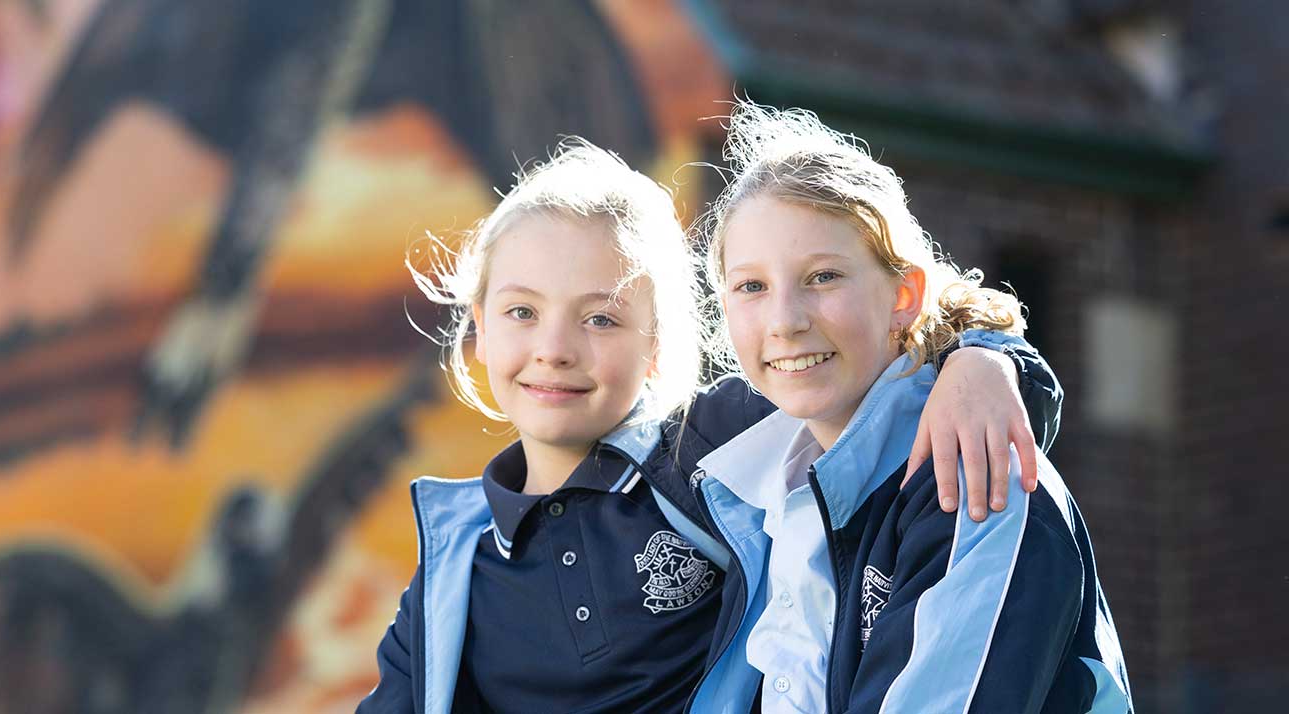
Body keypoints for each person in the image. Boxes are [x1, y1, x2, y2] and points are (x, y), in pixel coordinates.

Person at [357, 139, 1063, 713]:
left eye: (600, 318)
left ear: (659, 344)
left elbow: (878, 380)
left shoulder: (713, 446)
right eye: (521, 312)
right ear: (479, 328)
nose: (554, 349)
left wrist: (984, 357)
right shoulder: (451, 568)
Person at [687, 103, 1130, 713]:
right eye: (751, 286)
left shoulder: (973, 471)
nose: (784, 321)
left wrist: (989, 354)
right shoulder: (743, 474)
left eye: (823, 277)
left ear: (904, 295)